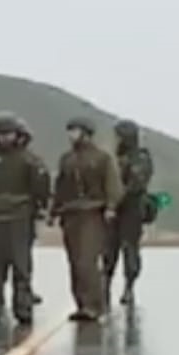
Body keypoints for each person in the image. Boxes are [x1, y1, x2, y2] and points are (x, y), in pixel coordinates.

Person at [50, 116, 123, 322]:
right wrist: (53, 211)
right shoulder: (66, 159)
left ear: (86, 133)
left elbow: (113, 184)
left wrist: (111, 207)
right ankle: (81, 304)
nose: (71, 135)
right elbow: (60, 187)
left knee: (87, 261)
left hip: (93, 213)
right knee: (74, 261)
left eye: (75, 131)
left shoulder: (102, 158)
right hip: (70, 213)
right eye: (70, 131)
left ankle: (95, 305)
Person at [0, 112, 42, 326]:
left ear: (17, 134)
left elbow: (39, 189)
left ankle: (23, 309)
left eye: (9, 133)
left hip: (19, 220)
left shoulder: (29, 160)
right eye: (1, 134)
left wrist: (36, 209)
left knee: (21, 267)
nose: (5, 138)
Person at [105, 118, 154, 306]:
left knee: (129, 248)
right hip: (114, 209)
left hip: (132, 209)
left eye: (118, 136)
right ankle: (106, 284)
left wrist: (114, 201)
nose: (115, 140)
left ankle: (129, 288)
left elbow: (135, 184)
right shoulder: (113, 159)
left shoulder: (140, 158)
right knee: (108, 249)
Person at [16, 118, 51, 305]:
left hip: (25, 213)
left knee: (23, 256)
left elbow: (42, 187)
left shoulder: (33, 161)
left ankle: (24, 290)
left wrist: (42, 207)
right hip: (6, 213)